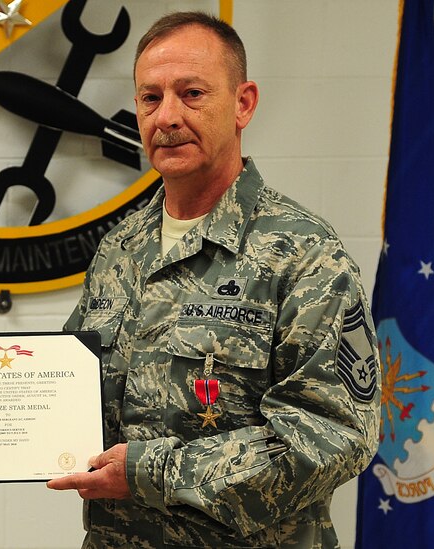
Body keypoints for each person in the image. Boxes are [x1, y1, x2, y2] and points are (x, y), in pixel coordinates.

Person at [47, 11, 380, 549]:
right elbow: (65, 393)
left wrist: (153, 471)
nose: (167, 117)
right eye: (150, 98)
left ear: (243, 103)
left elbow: (334, 435)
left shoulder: (304, 254)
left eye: (192, 93)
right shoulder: (120, 248)